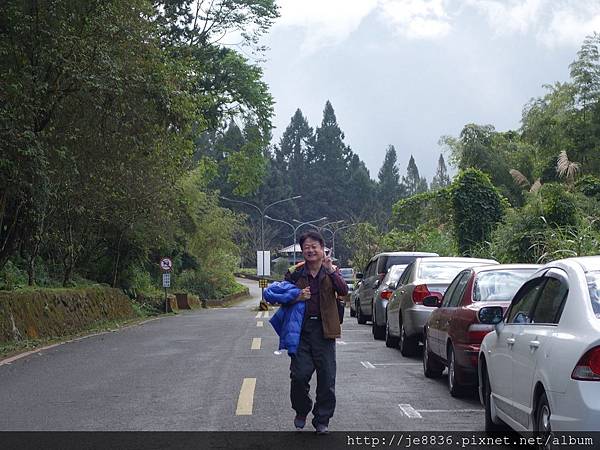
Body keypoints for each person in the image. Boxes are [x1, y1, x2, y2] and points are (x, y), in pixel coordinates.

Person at [284, 231, 348, 434]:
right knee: (299, 375)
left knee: (327, 378)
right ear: (302, 251)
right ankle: (302, 410)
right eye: (306, 247)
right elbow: (281, 296)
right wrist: (297, 296)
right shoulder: (295, 272)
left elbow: (344, 291)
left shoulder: (332, 270)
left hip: (325, 330)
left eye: (314, 246)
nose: (310, 250)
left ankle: (322, 419)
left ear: (323, 249)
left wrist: (331, 271)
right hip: (301, 331)